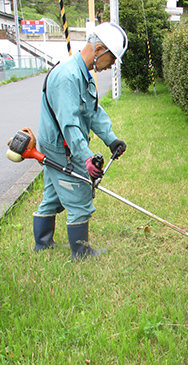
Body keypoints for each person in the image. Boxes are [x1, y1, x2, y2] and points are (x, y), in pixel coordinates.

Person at [32, 22, 128, 259]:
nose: (113, 64)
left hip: (61, 144)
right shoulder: (67, 76)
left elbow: (92, 111)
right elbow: (69, 124)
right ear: (98, 50)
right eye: (112, 58)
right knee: (80, 194)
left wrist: (111, 139)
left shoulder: (82, 73)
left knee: (54, 195)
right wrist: (86, 158)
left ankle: (43, 245)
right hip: (60, 147)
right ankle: (81, 253)